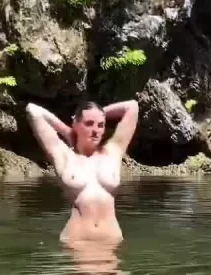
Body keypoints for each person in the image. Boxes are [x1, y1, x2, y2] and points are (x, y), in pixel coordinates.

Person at [26, 99, 139, 245]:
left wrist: (100, 113)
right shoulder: (64, 155)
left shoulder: (114, 151)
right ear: (76, 124)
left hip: (111, 242)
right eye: (89, 123)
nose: (95, 130)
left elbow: (132, 106)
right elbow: (33, 110)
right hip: (75, 242)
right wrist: (67, 132)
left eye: (100, 125)